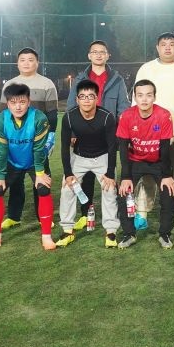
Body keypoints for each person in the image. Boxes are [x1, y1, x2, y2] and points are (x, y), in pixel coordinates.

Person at [133, 32, 174, 232]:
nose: (168, 47)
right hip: (150, 135)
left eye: (172, 44)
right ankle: (142, 213)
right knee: (147, 175)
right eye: (163, 44)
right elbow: (137, 100)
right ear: (157, 48)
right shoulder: (146, 69)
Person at [0, 83, 55, 251]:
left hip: (35, 162)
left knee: (43, 189)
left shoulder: (39, 118)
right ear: (8, 103)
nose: (18, 107)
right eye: (13, 102)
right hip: (12, 162)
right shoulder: (0, 119)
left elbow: (39, 149)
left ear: (29, 102)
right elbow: (0, 150)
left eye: (22, 102)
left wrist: (40, 173)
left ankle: (46, 236)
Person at [69, 40, 130, 231]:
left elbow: (123, 107)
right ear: (89, 55)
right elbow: (71, 106)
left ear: (107, 55)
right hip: (83, 134)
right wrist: (73, 132)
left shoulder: (117, 80)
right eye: (94, 52)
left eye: (102, 52)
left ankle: (111, 216)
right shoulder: (80, 79)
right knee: (84, 178)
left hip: (107, 135)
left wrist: (120, 131)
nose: (98, 54)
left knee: (108, 175)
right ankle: (85, 213)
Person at [0, 47, 59, 230]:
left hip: (38, 141)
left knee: (40, 179)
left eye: (31, 59)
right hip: (16, 143)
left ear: (37, 63)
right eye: (23, 60)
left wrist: (50, 137)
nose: (27, 63)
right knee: (15, 182)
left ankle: (43, 217)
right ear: (17, 63)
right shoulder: (10, 84)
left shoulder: (47, 83)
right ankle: (14, 216)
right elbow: (3, 114)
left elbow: (52, 114)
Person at [55, 79, 119, 249]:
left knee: (109, 188)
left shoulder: (107, 117)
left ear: (97, 99)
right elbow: (64, 147)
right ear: (77, 99)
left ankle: (111, 231)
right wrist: (68, 173)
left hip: (102, 156)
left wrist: (110, 173)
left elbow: (112, 147)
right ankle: (67, 230)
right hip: (79, 157)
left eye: (91, 96)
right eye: (82, 96)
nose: (86, 100)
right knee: (67, 188)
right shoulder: (69, 117)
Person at [115, 80, 174, 249]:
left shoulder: (164, 115)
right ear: (134, 97)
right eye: (140, 95)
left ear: (154, 97)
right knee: (123, 193)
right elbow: (123, 147)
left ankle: (164, 234)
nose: (144, 99)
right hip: (135, 161)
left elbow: (165, 148)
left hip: (158, 162)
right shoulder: (126, 116)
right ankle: (129, 234)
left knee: (169, 193)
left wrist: (167, 175)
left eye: (149, 95)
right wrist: (126, 176)